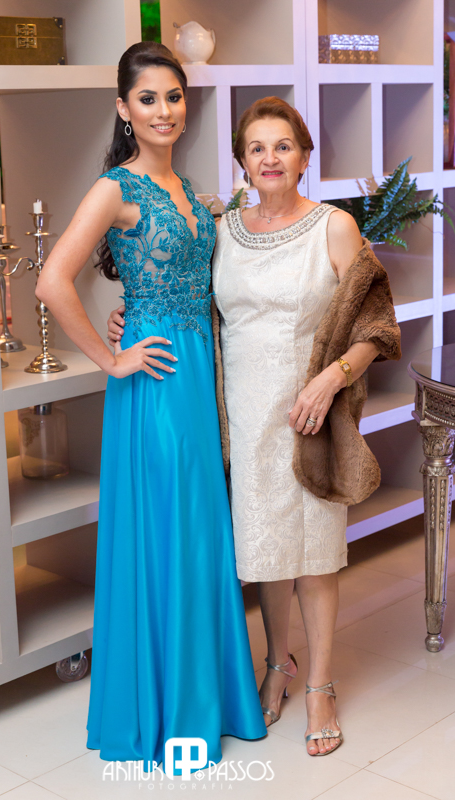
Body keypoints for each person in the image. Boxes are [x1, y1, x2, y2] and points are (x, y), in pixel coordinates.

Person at [108, 96, 401, 757]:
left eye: (283, 146)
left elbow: (376, 322)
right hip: (240, 416)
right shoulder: (223, 228)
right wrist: (129, 319)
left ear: (304, 156)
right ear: (242, 160)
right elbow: (182, 295)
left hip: (307, 413)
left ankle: (320, 686)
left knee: (314, 557)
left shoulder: (333, 227)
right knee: (264, 553)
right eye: (257, 148)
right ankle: (276, 665)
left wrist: (331, 380)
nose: (271, 158)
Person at [35, 42, 267, 772]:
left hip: (198, 376)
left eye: (173, 96)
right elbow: (51, 281)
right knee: (172, 530)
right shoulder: (115, 188)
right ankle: (174, 711)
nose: (163, 110)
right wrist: (112, 357)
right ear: (123, 109)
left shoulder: (190, 190)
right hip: (157, 383)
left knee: (199, 530)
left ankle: (208, 698)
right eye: (147, 99)